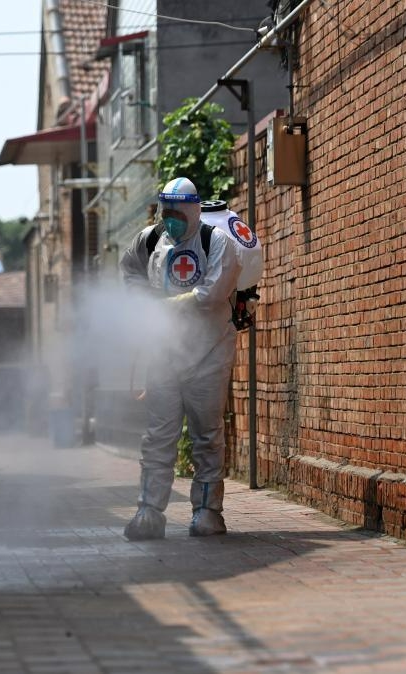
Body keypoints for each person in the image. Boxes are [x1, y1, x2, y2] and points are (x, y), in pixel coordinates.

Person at [118, 176, 242, 539]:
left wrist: (168, 305)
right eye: (165, 210)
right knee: (158, 436)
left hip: (208, 353)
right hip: (163, 356)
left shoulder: (216, 243)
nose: (170, 218)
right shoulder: (150, 240)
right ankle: (149, 511)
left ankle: (207, 511)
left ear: (193, 209)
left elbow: (212, 293)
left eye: (177, 211)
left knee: (207, 436)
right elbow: (129, 271)